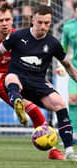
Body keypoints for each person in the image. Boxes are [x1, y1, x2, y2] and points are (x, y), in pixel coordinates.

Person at [0, 5, 77, 161]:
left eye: (47, 23)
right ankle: (17, 102)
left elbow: (68, 66)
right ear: (32, 20)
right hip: (17, 78)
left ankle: (69, 150)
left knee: (60, 104)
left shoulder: (53, 43)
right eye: (40, 22)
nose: (43, 27)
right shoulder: (17, 36)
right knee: (11, 78)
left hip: (38, 83)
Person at [61, 1, 77, 144]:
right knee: (72, 99)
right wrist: (61, 65)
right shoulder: (68, 27)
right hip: (75, 67)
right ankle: (74, 133)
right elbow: (63, 48)